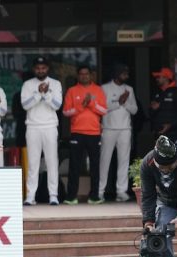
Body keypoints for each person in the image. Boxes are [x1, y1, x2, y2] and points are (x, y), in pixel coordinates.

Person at [62, 66, 107, 204]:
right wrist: (82, 105)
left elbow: (104, 110)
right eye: (81, 74)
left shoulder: (98, 90)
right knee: (74, 166)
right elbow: (66, 112)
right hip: (77, 132)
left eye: (86, 74)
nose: (84, 76)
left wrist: (91, 104)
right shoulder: (72, 90)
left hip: (94, 132)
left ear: (91, 75)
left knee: (94, 166)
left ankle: (94, 196)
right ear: (78, 76)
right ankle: (71, 197)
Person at [21, 57, 62, 205]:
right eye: (38, 68)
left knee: (52, 162)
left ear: (47, 69)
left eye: (43, 68)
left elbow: (57, 105)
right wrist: (38, 93)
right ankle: (31, 196)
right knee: (33, 163)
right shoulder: (27, 84)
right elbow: (25, 105)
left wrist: (46, 94)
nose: (40, 70)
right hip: (32, 127)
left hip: (50, 126)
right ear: (34, 69)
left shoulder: (56, 84)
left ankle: (53, 196)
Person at [98, 63, 138, 202]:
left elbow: (134, 110)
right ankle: (100, 191)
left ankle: (121, 191)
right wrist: (118, 102)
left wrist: (125, 102)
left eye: (127, 74)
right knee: (104, 161)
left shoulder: (129, 89)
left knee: (124, 161)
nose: (126, 76)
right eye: (123, 74)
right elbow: (102, 108)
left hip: (125, 129)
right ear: (116, 74)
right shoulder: (104, 88)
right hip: (108, 129)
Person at [150, 67, 177, 144]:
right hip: (159, 135)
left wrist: (170, 125)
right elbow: (150, 114)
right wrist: (154, 109)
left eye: (159, 77)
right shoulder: (157, 93)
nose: (156, 79)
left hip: (174, 134)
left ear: (166, 78)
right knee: (160, 156)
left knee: (175, 155)